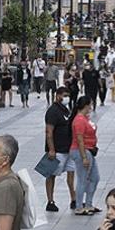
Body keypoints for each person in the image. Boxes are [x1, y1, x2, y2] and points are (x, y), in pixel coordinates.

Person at [44, 85, 78, 213]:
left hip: (68, 149)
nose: (66, 98)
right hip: (56, 150)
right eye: (64, 96)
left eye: (68, 96)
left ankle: (73, 199)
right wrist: (51, 149)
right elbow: (49, 131)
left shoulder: (65, 109)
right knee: (50, 175)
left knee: (71, 173)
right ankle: (50, 201)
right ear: (58, 96)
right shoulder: (52, 111)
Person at [72, 96, 102, 215]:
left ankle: (88, 204)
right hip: (81, 151)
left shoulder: (85, 118)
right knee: (82, 179)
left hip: (89, 150)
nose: (91, 107)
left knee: (95, 177)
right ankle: (79, 206)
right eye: (90, 104)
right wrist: (84, 156)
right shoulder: (79, 120)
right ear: (86, 105)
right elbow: (79, 139)